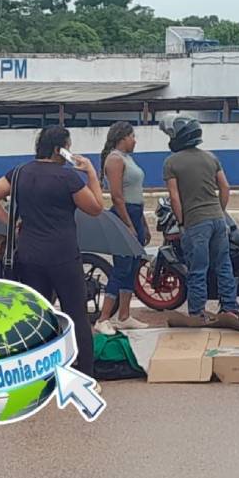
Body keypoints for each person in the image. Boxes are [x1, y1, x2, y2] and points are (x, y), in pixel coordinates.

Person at [0, 125, 105, 377]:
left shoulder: (19, 173)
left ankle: (39, 371)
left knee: (36, 315)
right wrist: (90, 172)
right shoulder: (66, 177)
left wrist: (10, 223)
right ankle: (86, 372)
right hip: (63, 254)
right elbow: (96, 207)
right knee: (76, 314)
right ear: (61, 149)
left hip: (29, 254)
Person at [161, 115, 239, 321]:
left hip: (196, 222)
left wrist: (181, 222)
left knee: (197, 269)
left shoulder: (171, 162)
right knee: (224, 266)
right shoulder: (211, 157)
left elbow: (175, 198)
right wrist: (220, 211)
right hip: (218, 220)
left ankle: (197, 313)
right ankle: (230, 309)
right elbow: (225, 187)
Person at [94, 121, 150, 335]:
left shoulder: (128, 159)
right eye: (132, 136)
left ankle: (124, 316)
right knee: (122, 266)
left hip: (135, 213)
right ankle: (103, 318)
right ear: (123, 137)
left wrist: (142, 223)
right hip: (123, 214)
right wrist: (127, 224)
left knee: (133, 265)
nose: (134, 140)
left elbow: (136, 193)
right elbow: (117, 196)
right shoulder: (115, 160)